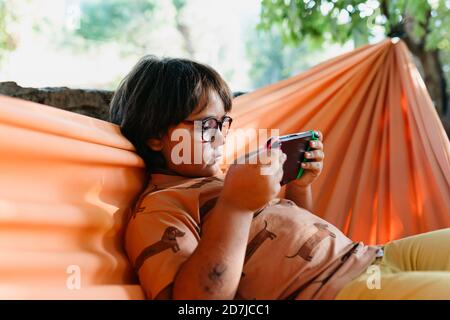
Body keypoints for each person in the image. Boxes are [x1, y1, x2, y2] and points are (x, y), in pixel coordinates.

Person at [109, 55, 450, 300]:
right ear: (156, 135)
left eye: (224, 123)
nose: (221, 135)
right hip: (339, 289)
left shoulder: (228, 180)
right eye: (207, 125)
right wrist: (235, 206)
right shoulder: (159, 209)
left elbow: (295, 242)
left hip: (374, 256)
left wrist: (300, 188)